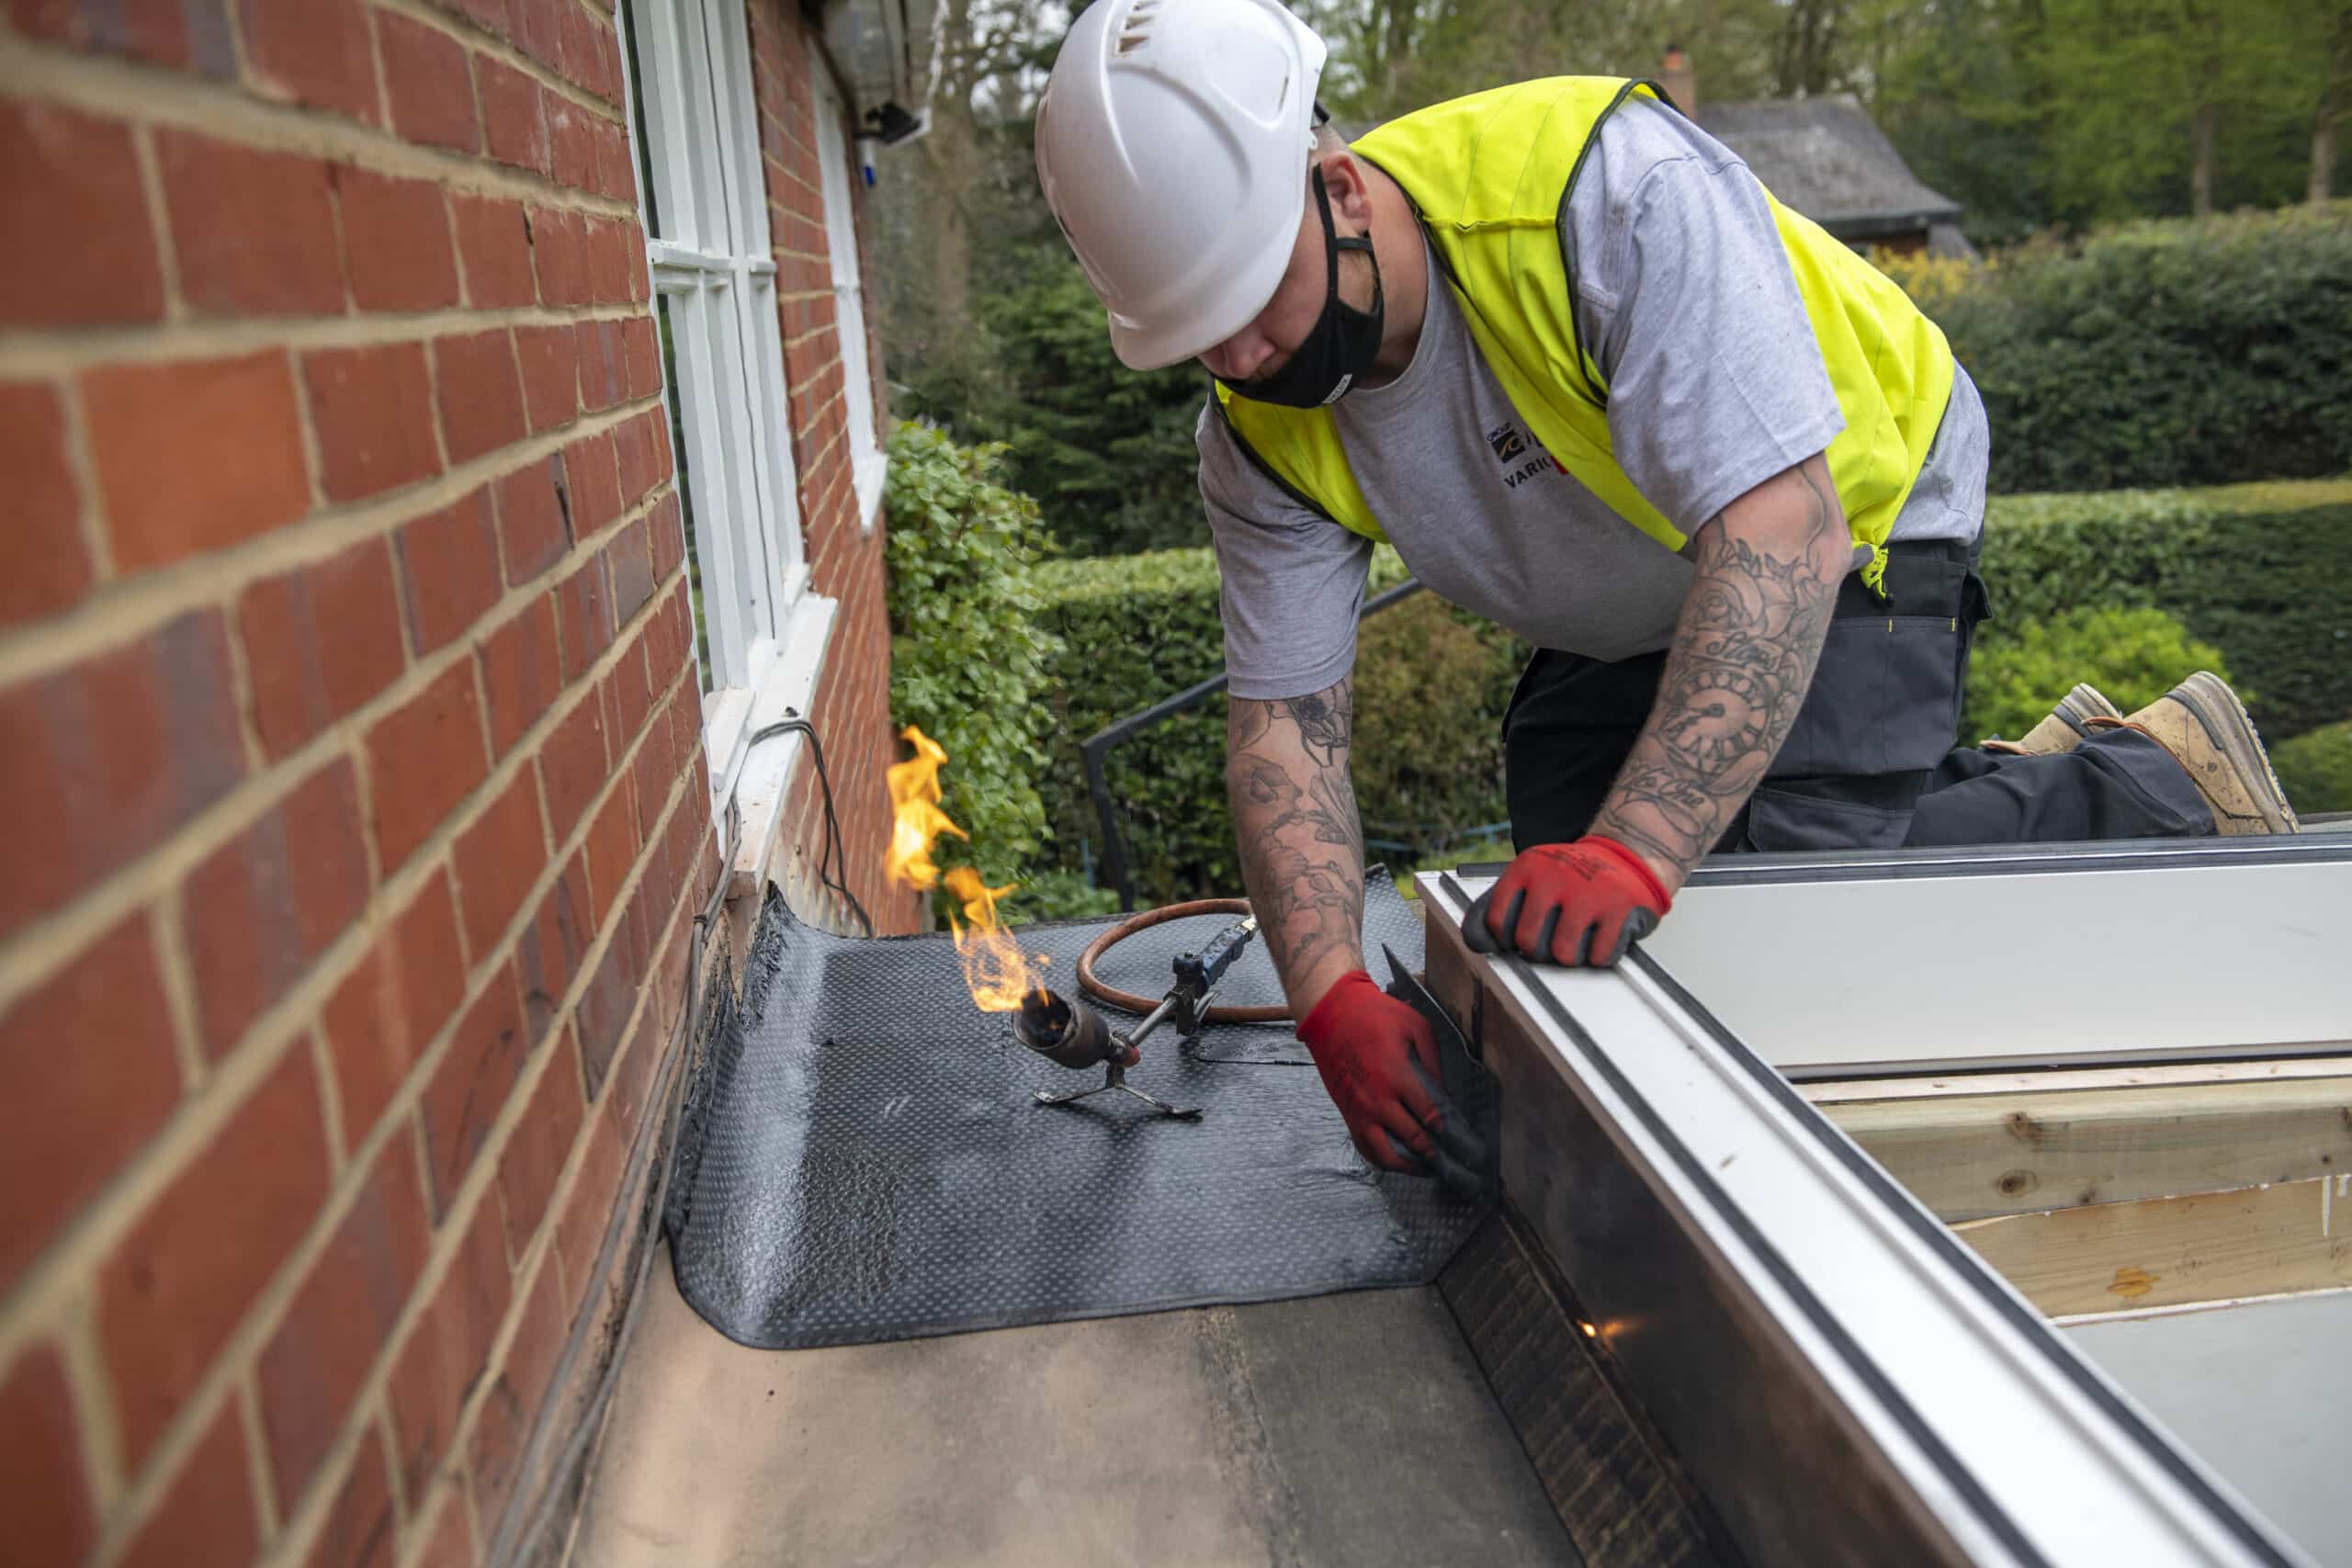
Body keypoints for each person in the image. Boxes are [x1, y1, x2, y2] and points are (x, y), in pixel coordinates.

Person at [1032, 0, 2301, 1180]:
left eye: (1258, 297)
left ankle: (2137, 783)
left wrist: (1639, 851)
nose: (1245, 356)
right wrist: (1330, 1001)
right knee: (1571, 952)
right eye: (1199, 333)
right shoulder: (1256, 436)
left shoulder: (1607, 196)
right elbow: (1285, 730)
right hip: (1633, 582)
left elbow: (1781, 528)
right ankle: (1999, 778)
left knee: (1780, 931)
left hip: (1851, 506)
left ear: (1344, 188)